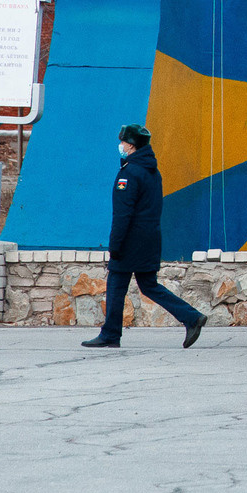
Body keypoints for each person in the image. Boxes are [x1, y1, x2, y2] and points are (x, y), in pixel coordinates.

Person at [81, 122, 206, 349]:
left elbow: (123, 213)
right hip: (149, 239)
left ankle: (110, 334)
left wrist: (115, 244)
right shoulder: (152, 171)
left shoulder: (129, 173)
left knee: (117, 284)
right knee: (149, 286)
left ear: (131, 145)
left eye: (123, 142)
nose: (120, 145)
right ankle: (191, 317)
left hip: (130, 241)